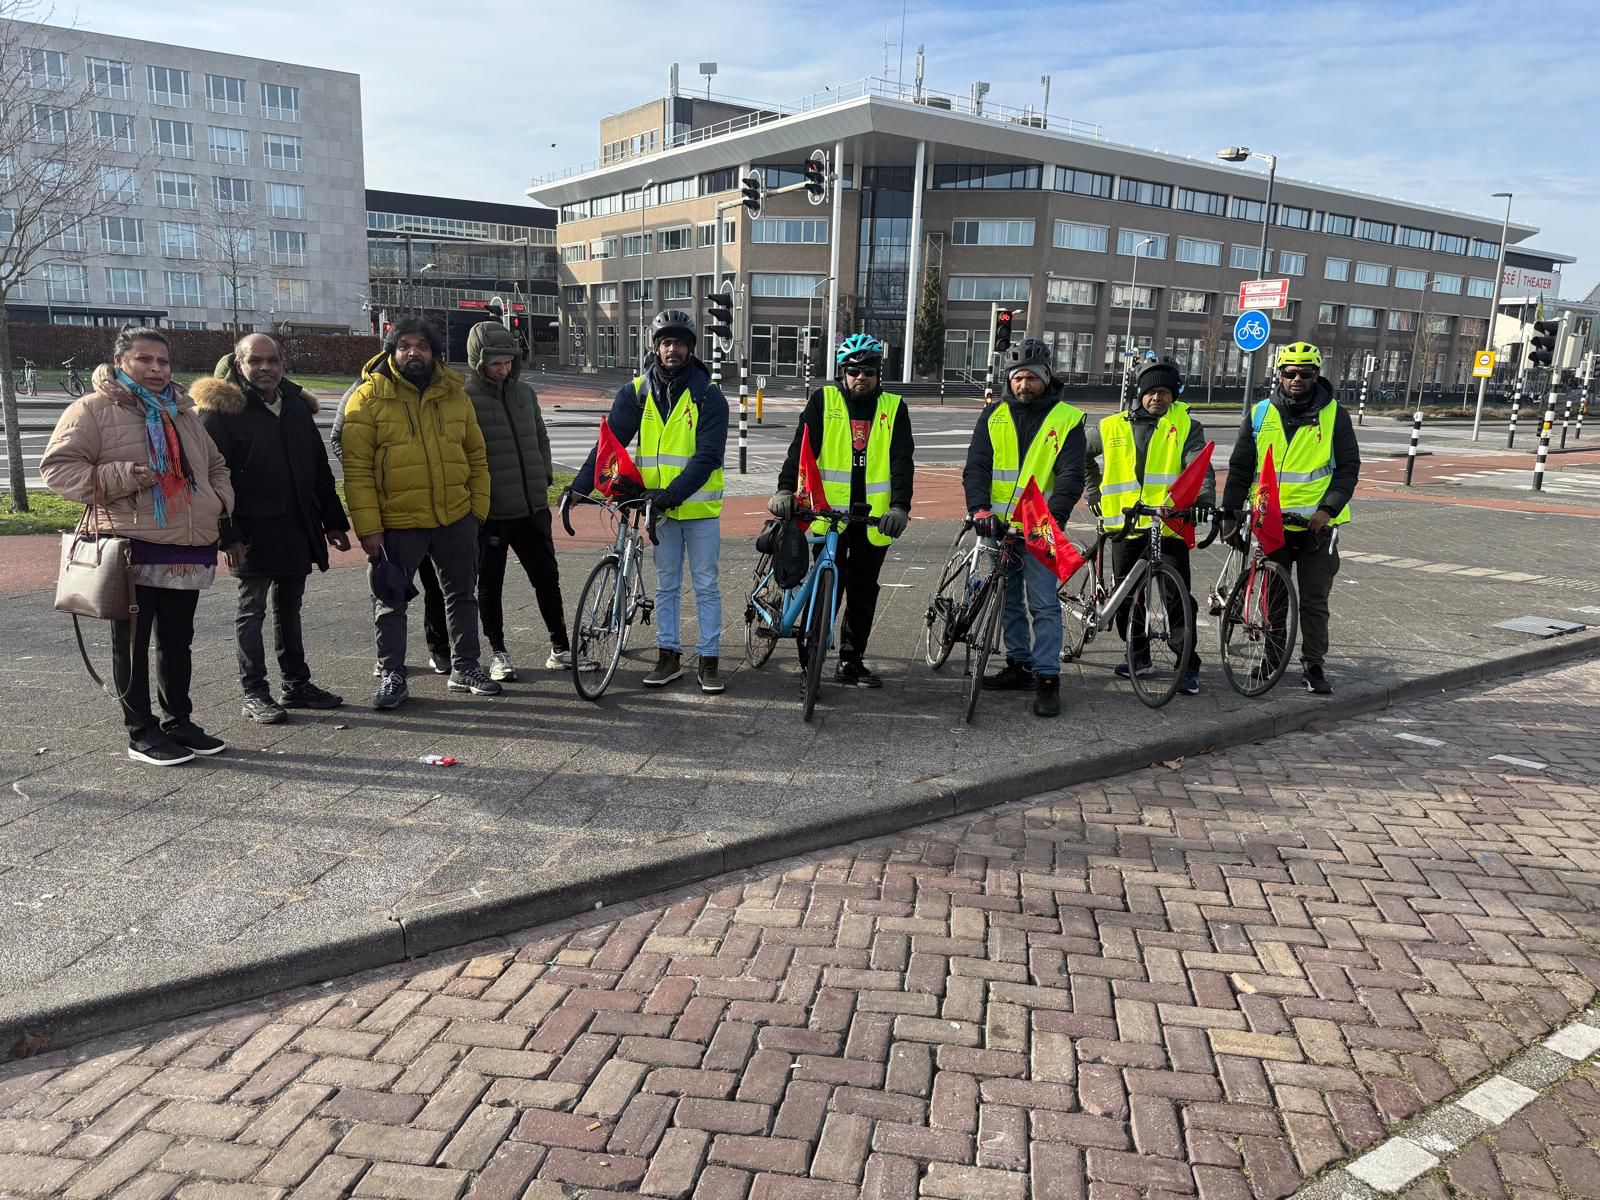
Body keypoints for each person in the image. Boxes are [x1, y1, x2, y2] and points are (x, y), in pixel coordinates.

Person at [40, 327, 235, 766]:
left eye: (163, 361)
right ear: (120, 362)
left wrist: (218, 499)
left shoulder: (182, 412)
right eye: (144, 359)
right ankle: (141, 732)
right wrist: (123, 476)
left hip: (186, 547)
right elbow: (58, 469)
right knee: (131, 644)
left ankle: (179, 722)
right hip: (131, 546)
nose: (156, 368)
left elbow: (216, 464)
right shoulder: (92, 409)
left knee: (178, 641)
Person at [567, 309, 729, 693]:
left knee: (706, 585)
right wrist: (579, 487)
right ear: (656, 347)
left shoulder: (708, 395)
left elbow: (708, 456)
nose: (673, 349)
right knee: (666, 585)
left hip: (698, 509)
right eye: (666, 342)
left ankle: (709, 659)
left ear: (691, 348)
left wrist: (669, 496)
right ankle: (668, 656)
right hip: (659, 511)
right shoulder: (637, 392)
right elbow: (610, 444)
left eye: (680, 343)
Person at [341, 316, 497, 709]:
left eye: (422, 346)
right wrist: (368, 528)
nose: (413, 352)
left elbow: (476, 455)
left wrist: (476, 510)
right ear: (392, 351)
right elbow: (356, 470)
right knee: (390, 600)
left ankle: (466, 666)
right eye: (405, 346)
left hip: (455, 517)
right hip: (397, 521)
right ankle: (392, 673)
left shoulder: (455, 395)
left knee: (462, 595)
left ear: (434, 353)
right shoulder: (368, 397)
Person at [197, 336, 350, 724]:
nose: (265, 368)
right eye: (256, 361)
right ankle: (254, 692)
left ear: (282, 365)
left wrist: (333, 521)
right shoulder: (221, 411)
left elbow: (318, 467)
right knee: (252, 610)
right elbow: (211, 478)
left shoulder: (295, 406)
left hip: (296, 524)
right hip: (251, 529)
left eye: (273, 360)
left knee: (290, 607)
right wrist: (227, 534)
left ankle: (296, 683)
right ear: (239, 364)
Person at [769, 333, 914, 687]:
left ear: (879, 373)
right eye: (853, 371)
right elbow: (800, 449)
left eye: (868, 371)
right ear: (842, 373)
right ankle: (810, 662)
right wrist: (785, 489)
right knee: (826, 588)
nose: (860, 377)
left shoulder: (894, 408)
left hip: (873, 519)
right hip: (828, 514)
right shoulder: (823, 401)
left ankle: (851, 660)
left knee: (863, 591)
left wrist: (899, 507)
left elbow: (902, 462)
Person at [1221, 341, 1360, 695]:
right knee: (1274, 599)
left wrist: (1327, 510)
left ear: (1316, 376)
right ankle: (1271, 658)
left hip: (1316, 527)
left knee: (1314, 602)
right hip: (1272, 525)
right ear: (1279, 374)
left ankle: (1313, 665)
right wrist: (1229, 514)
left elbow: (1348, 469)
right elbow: (1240, 468)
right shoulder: (1259, 414)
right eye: (1290, 373)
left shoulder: (1334, 415)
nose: (1297, 379)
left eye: (1305, 374)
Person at [961, 339, 1087, 718]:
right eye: (1017, 378)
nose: (1024, 385)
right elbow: (977, 466)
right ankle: (1019, 663)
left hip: (1039, 528)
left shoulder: (1067, 419)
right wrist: (979, 508)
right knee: (1008, 598)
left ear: (1046, 378)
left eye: (1032, 378)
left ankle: (1047, 677)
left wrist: (1056, 515)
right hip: (998, 526)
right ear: (1009, 379)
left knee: (1044, 602)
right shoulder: (993, 416)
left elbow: (1071, 474)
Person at [1084, 356, 1215, 695]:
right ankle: (1138, 656)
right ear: (1140, 393)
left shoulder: (1187, 426)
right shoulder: (1111, 426)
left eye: (1165, 393)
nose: (1158, 398)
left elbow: (1199, 466)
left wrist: (1204, 499)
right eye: (1151, 392)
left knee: (1177, 597)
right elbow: (1077, 452)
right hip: (1124, 524)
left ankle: (1186, 664)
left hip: (1167, 525)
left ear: (1174, 395)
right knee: (1126, 597)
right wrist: (1092, 489)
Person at [461, 320, 583, 679]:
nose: (504, 369)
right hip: (493, 513)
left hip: (532, 507)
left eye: (508, 362)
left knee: (547, 578)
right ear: (479, 361)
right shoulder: (465, 399)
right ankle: (498, 652)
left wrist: (544, 475)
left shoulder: (525, 394)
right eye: (496, 363)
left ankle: (560, 647)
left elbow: (541, 438)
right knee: (490, 584)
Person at [333, 376, 450, 677]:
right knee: (387, 588)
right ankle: (388, 661)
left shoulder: (432, 385)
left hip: (433, 511)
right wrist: (378, 476)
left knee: (437, 585)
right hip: (389, 513)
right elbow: (340, 439)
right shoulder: (363, 391)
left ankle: (440, 649)